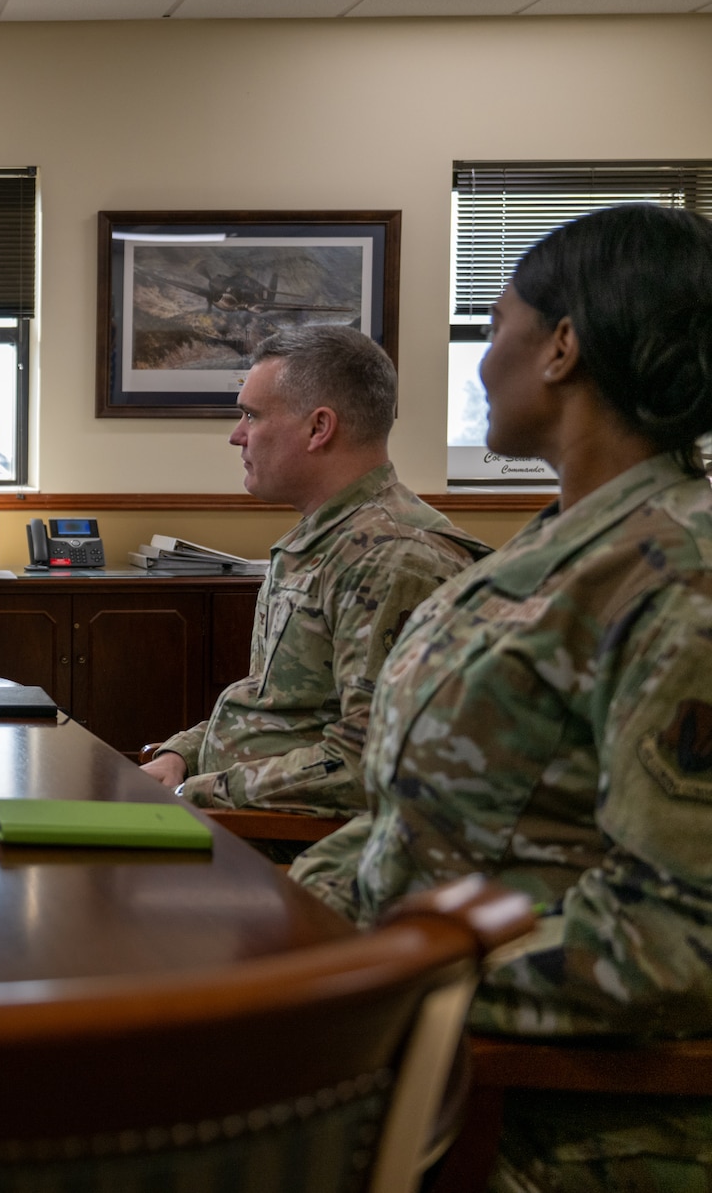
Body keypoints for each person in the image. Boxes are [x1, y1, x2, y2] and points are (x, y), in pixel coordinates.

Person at [291, 204, 712, 1192]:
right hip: (416, 1052)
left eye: (492, 328)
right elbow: (409, 812)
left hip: (546, 1122)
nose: (480, 365)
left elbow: (675, 939)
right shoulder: (561, 543)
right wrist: (293, 914)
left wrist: (374, 980)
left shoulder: (679, 579)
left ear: (562, 346)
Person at [140, 327, 488, 822]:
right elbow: (275, 705)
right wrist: (182, 754)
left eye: (252, 415)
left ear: (318, 428)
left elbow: (368, 763)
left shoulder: (393, 558)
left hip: (286, 842)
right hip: (240, 816)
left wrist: (200, 792)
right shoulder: (324, 538)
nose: (237, 435)